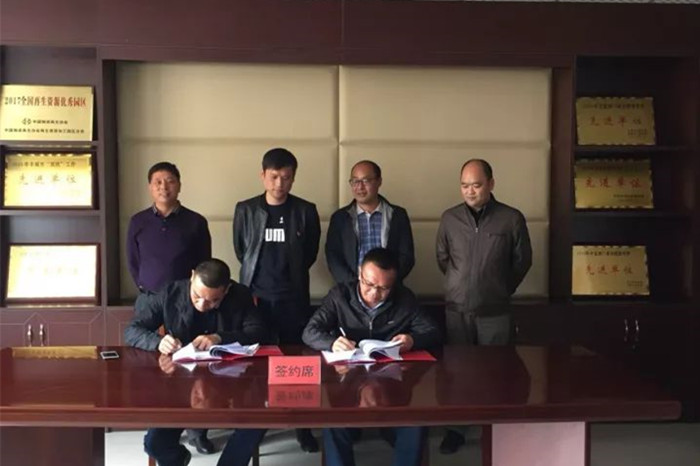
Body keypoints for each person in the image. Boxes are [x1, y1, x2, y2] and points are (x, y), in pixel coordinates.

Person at [305, 247, 441, 466]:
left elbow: (433, 331)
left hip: (393, 385)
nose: (374, 294)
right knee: (333, 422)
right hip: (348, 384)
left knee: (414, 423)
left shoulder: (404, 299)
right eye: (369, 284)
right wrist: (332, 343)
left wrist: (412, 340)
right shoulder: (340, 296)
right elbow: (310, 332)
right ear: (360, 273)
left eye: (384, 288)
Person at [124, 259, 267, 466]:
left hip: (231, 383)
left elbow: (258, 332)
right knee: (155, 443)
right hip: (180, 385)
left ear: (226, 290)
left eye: (213, 301)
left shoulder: (240, 295)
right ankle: (178, 459)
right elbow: (132, 330)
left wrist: (220, 337)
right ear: (192, 277)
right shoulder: (170, 293)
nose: (202, 305)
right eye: (197, 296)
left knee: (256, 424)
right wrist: (158, 342)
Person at [435, 158, 532, 454]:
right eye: (464, 185)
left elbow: (522, 261)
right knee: (457, 374)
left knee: (496, 373)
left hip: (495, 311)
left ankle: (496, 431)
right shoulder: (449, 218)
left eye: (476, 185)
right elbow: (442, 257)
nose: (470, 191)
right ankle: (457, 429)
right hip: (457, 310)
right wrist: (459, 285)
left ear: (491, 184)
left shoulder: (511, 218)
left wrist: (500, 288)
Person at [232, 147, 321, 452]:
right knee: (255, 365)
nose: (279, 183)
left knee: (297, 364)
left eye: (286, 177)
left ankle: (302, 427)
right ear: (263, 176)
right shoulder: (246, 210)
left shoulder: (305, 211)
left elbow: (309, 253)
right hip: (256, 300)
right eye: (274, 177)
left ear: (293, 178)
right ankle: (254, 428)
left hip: (293, 299)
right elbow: (242, 251)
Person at [125, 161, 214, 454]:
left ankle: (198, 429)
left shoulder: (195, 221)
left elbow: (204, 264)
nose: (164, 187)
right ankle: (160, 426)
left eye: (170, 181)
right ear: (150, 187)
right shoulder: (138, 221)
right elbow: (133, 261)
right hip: (150, 298)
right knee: (152, 362)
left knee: (192, 365)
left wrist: (192, 293)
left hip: (187, 302)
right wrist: (145, 286)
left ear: (179, 185)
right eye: (158, 182)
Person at [325, 160, 415, 284]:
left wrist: (386, 282)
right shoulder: (340, 218)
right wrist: (354, 285)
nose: (360, 187)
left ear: (379, 181)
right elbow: (333, 256)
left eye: (366, 180)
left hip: (389, 288)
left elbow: (406, 255)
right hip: (349, 288)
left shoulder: (397, 215)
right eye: (355, 181)